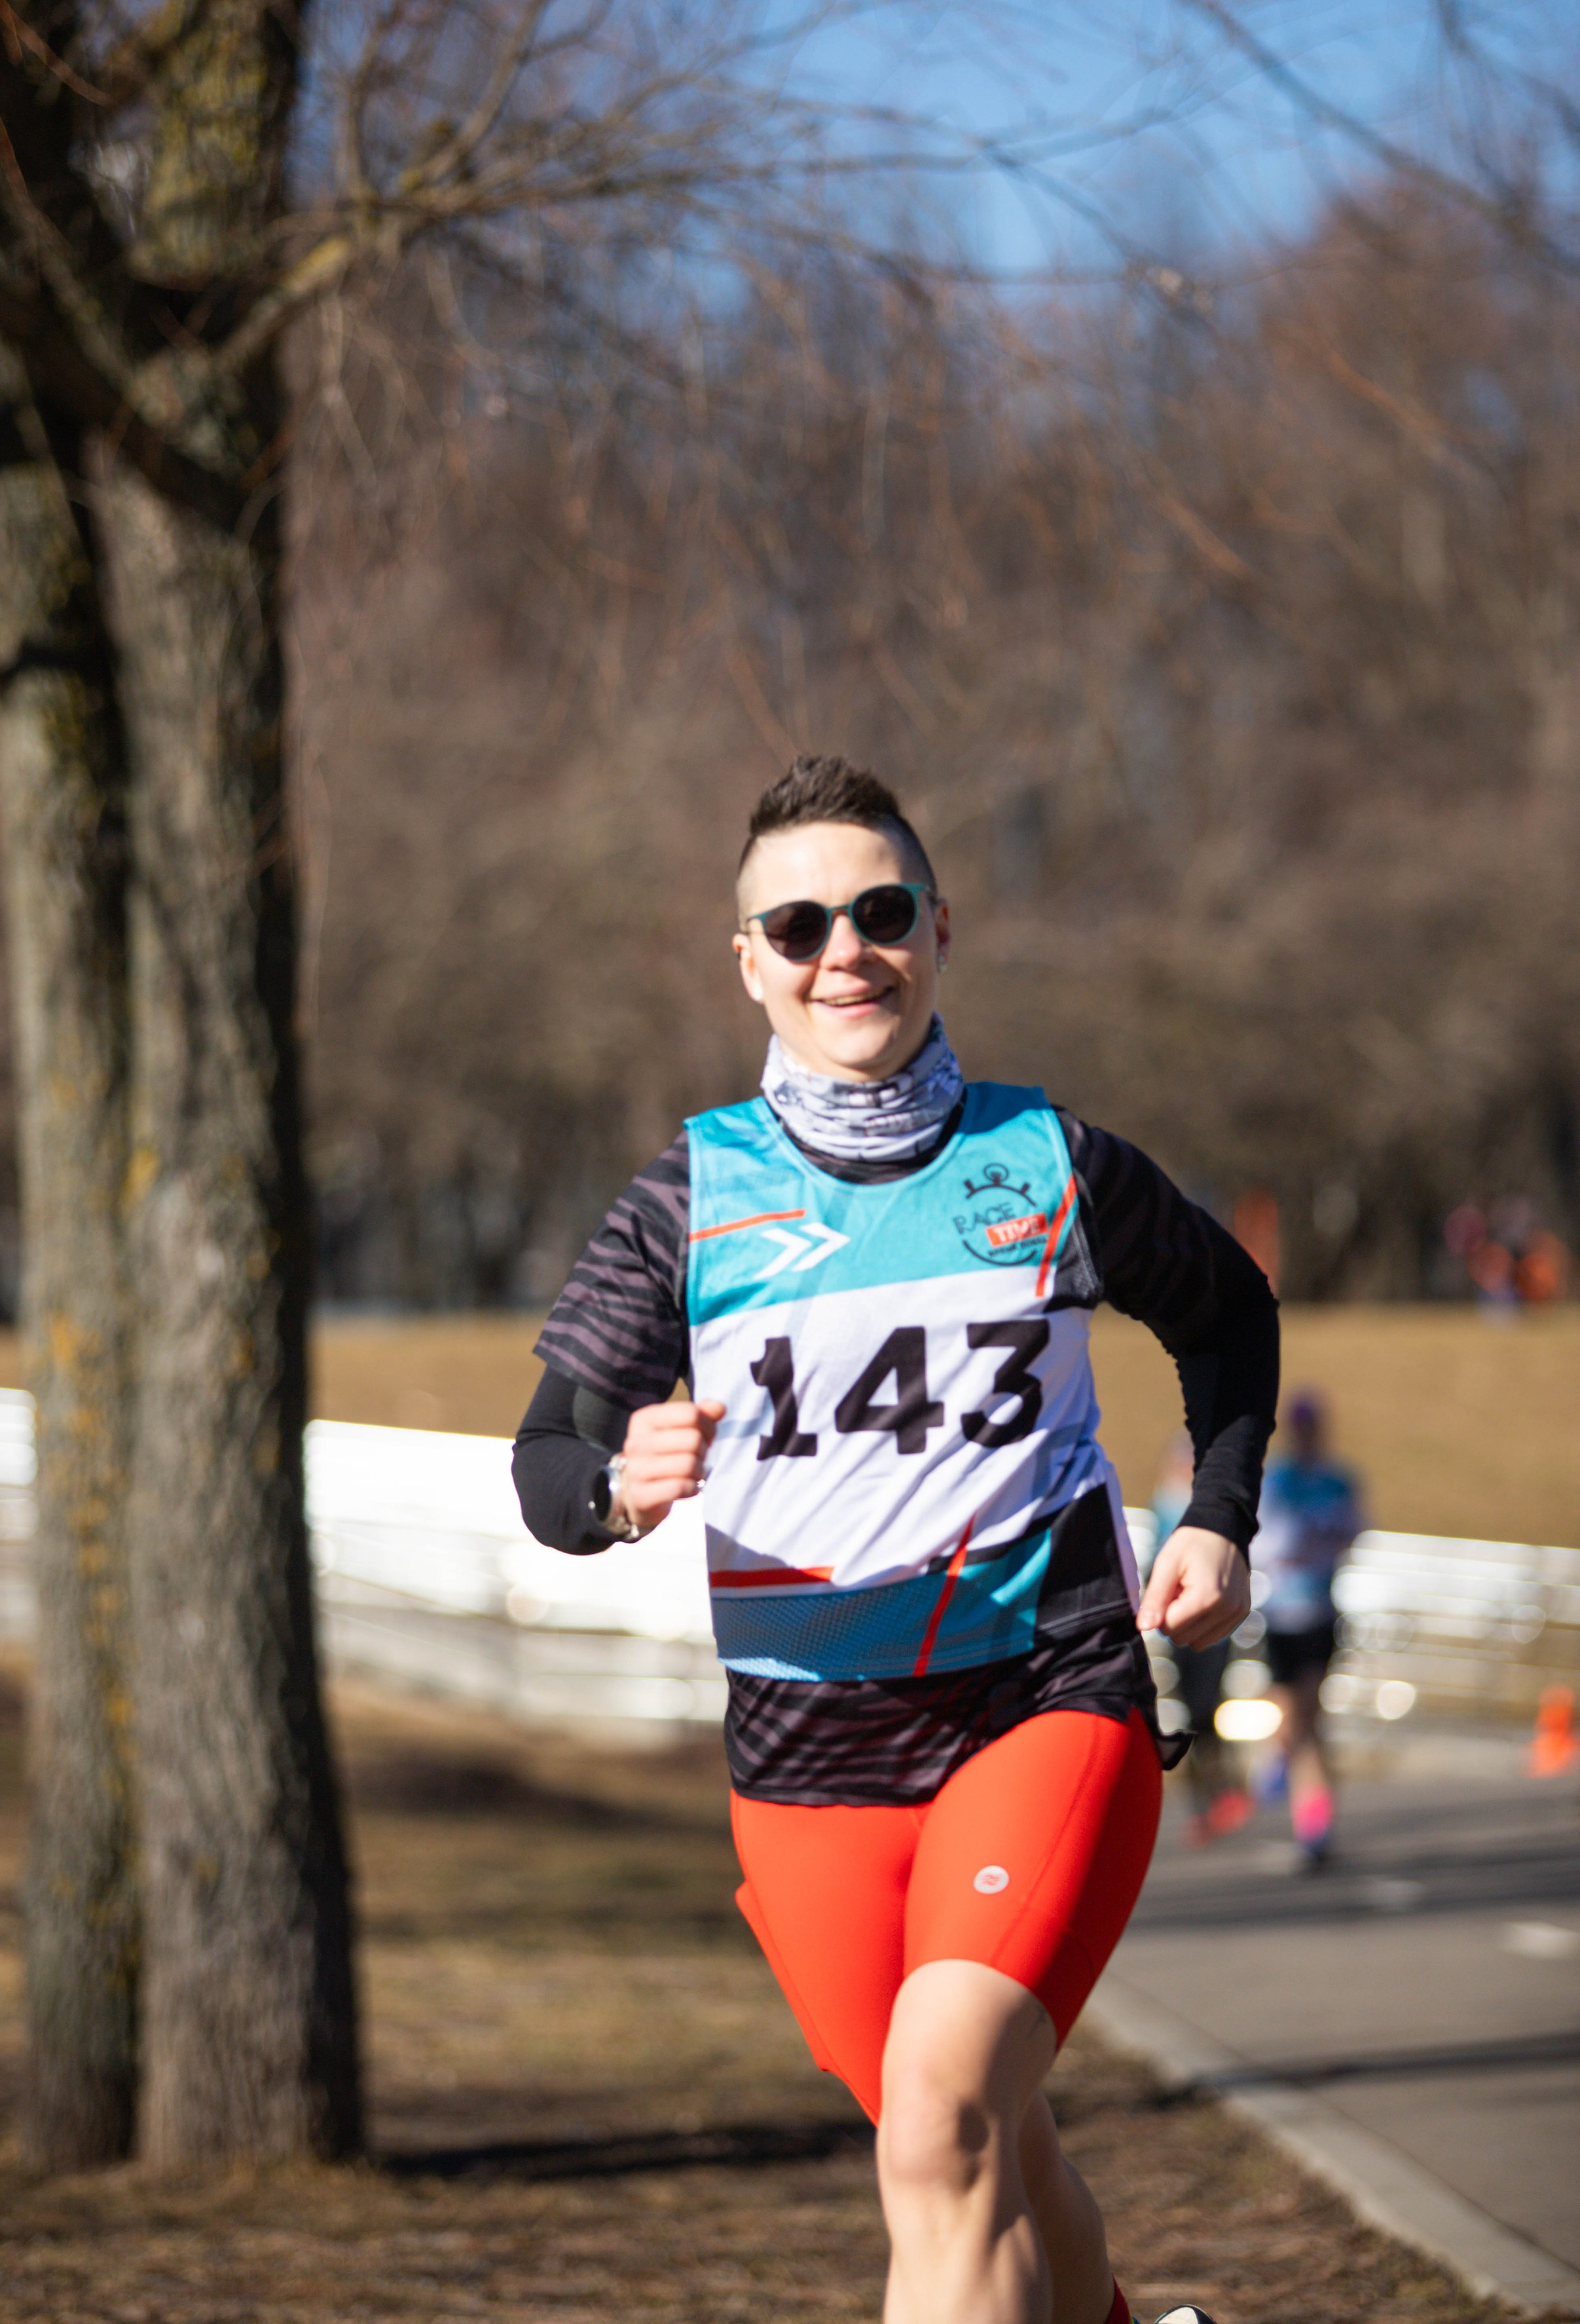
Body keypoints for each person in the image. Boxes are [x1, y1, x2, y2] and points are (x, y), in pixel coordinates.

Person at [513, 756, 1279, 2324]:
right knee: (985, 2143)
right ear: (748, 962)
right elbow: (548, 1461)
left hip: (1041, 1702)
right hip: (804, 1767)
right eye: (796, 926)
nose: (842, 951)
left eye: (878, 910)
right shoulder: (684, 1201)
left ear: (938, 927)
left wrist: (1214, 1517)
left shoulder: (1048, 1161)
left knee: (938, 2128)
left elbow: (1225, 1316)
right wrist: (616, 1490)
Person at [1249, 1392, 1363, 1869]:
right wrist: (1293, 1543)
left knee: (1309, 1720)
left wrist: (1317, 1540)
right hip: (1279, 1616)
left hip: (1318, 1613)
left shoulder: (1338, 1479)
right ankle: (1282, 1772)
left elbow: (1353, 1532)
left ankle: (1315, 1826)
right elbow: (1259, 1541)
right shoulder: (1275, 1479)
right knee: (1292, 1720)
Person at [1148, 1432, 1251, 1847]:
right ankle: (1205, 1803)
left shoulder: (1208, 1504)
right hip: (1177, 1624)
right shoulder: (1164, 1503)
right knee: (1191, 1716)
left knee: (1207, 1710)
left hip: (1212, 1624)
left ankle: (1226, 1792)